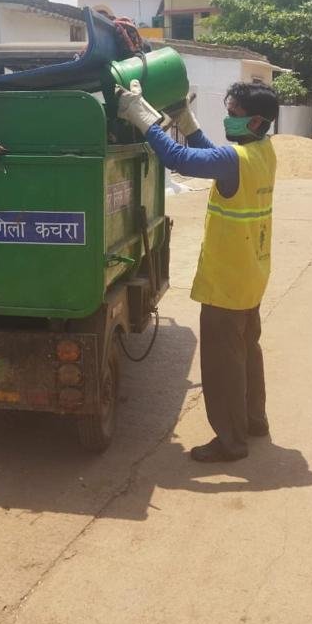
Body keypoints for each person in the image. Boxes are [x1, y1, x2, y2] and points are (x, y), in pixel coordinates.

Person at [117, 80, 279, 463]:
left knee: (223, 365)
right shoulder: (263, 153)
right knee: (247, 353)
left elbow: (181, 160)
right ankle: (254, 421)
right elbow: (214, 157)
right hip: (251, 275)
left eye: (235, 114)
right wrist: (189, 125)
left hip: (226, 281)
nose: (229, 118)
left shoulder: (234, 159)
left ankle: (231, 442)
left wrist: (144, 118)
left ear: (255, 122)